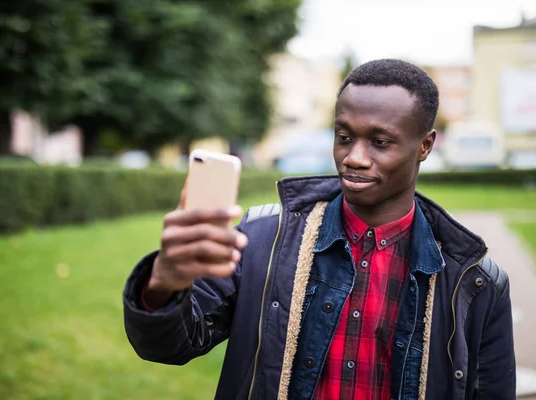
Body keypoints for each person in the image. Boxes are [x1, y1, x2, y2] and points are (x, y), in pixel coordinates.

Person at [123, 59, 516, 400]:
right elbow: (170, 346)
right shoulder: (261, 240)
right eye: (344, 137)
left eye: (380, 142)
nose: (354, 158)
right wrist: (163, 284)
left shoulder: (476, 283)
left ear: (425, 146)